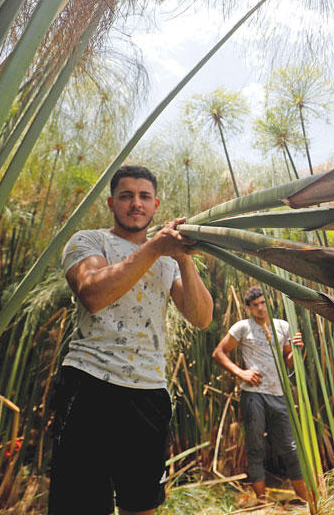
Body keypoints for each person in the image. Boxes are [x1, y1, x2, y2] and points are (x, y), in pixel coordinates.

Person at [49, 164, 213, 515]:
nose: (135, 203)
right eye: (126, 196)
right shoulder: (89, 241)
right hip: (90, 384)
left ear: (156, 205)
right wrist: (155, 247)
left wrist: (182, 257)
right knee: (79, 504)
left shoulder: (167, 260)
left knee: (141, 505)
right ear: (111, 203)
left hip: (149, 392)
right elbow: (92, 293)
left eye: (144, 197)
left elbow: (201, 317)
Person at [212, 286, 309, 505]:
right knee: (255, 447)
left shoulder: (282, 326)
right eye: (255, 305)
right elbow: (218, 353)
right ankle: (262, 502)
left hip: (278, 393)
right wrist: (241, 372)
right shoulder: (242, 327)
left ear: (268, 303)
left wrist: (297, 348)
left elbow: (290, 362)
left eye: (263, 303)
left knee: (290, 448)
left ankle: (305, 501)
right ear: (248, 308)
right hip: (253, 395)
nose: (260, 308)